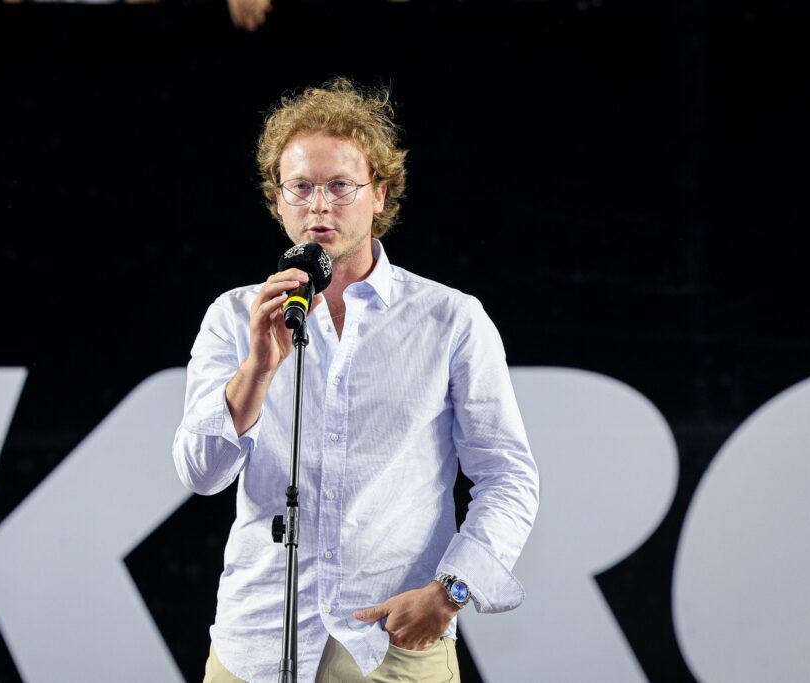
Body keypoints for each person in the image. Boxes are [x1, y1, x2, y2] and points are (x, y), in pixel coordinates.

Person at [172, 78, 539, 683]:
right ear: (279, 200)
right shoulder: (234, 316)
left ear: (380, 194)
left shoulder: (450, 319)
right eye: (301, 187)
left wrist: (452, 591)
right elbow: (201, 474)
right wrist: (258, 368)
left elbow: (508, 476)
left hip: (392, 645)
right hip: (256, 641)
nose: (319, 205)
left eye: (340, 186)